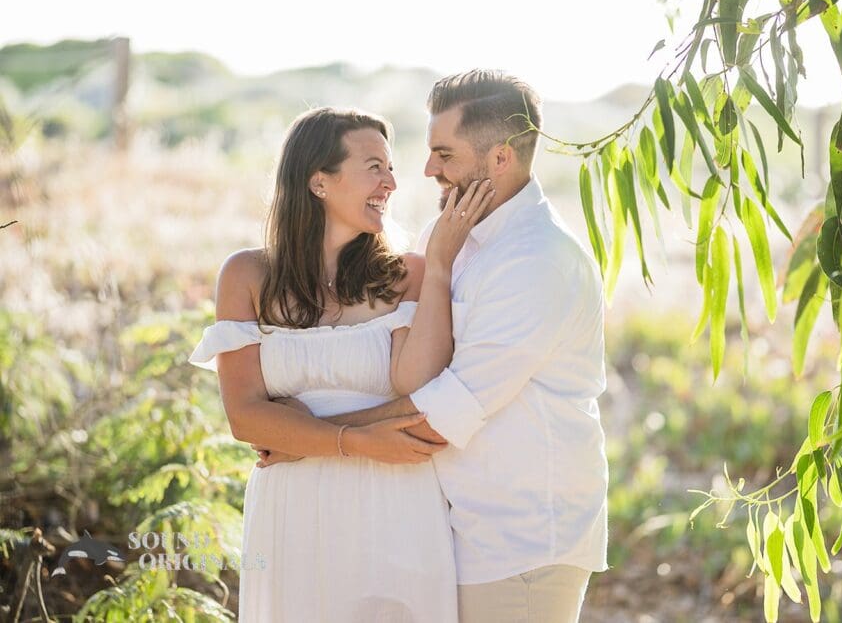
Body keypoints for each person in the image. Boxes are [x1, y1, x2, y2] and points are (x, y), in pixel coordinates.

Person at [260, 70, 610, 622]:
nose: (426, 170)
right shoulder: (447, 238)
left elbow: (446, 410)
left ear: (500, 159)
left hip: (520, 539)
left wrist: (312, 438)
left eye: (443, 154)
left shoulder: (537, 262)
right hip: (453, 528)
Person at [188, 107, 493, 622]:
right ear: (319, 182)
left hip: (396, 498)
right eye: (375, 166)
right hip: (294, 508)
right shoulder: (245, 276)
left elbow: (420, 395)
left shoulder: (408, 276)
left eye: (391, 167)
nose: (393, 182)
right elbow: (246, 419)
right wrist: (355, 442)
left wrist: (440, 263)